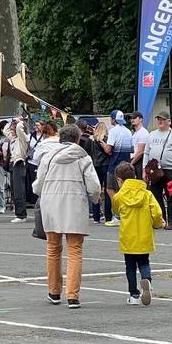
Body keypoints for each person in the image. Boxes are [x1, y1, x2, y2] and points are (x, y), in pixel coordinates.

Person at [33, 124, 102, 309]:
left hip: (51, 205)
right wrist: (95, 199)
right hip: (74, 205)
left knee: (53, 249)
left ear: (60, 138)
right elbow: (94, 186)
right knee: (75, 251)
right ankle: (73, 296)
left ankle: (54, 292)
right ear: (77, 139)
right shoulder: (83, 158)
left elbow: (37, 185)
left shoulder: (48, 157)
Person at [112, 162, 164, 306]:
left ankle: (134, 295)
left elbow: (115, 211)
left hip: (128, 237)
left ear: (120, 180)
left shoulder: (119, 196)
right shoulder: (147, 194)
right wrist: (159, 224)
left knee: (130, 266)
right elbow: (158, 212)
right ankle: (147, 279)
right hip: (144, 235)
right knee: (144, 262)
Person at [143, 111, 172, 229]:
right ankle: (160, 220)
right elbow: (146, 153)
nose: (160, 121)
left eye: (162, 119)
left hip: (171, 169)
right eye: (158, 119)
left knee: (171, 197)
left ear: (169, 121)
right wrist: (144, 169)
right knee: (156, 196)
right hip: (155, 170)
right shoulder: (151, 135)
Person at [103, 110, 133, 227]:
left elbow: (108, 150)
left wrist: (103, 144)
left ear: (113, 119)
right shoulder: (128, 131)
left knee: (110, 189)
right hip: (126, 164)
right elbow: (131, 149)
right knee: (123, 190)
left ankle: (117, 215)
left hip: (114, 164)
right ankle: (125, 214)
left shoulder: (113, 131)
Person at [8, 119, 30, 223]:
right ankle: (19, 213)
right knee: (14, 191)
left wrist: (20, 122)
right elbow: (4, 130)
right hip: (13, 164)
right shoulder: (12, 139)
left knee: (19, 191)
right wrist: (11, 122)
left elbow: (20, 129)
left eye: (13, 129)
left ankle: (21, 215)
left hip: (20, 163)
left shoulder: (23, 138)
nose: (11, 131)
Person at [89, 122, 111, 224]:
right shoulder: (105, 139)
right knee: (107, 191)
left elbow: (87, 152)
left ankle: (96, 216)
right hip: (105, 165)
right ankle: (108, 216)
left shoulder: (91, 140)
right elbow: (109, 152)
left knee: (96, 191)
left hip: (94, 166)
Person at [25, 120, 46, 205]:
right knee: (32, 180)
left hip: (42, 161)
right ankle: (32, 199)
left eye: (38, 125)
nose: (36, 127)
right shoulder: (30, 136)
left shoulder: (45, 136)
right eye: (35, 125)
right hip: (32, 161)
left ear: (42, 126)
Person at [128, 111, 150, 177]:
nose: (132, 120)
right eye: (131, 118)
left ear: (141, 119)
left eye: (134, 118)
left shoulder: (143, 132)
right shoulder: (136, 132)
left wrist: (131, 163)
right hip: (134, 160)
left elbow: (141, 152)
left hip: (139, 161)